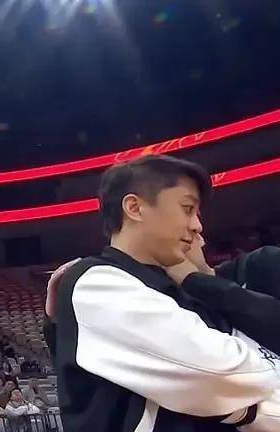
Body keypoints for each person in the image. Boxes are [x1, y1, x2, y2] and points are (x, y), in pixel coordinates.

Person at [47, 155, 276, 431]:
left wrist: (233, 403)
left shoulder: (179, 289)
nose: (197, 226)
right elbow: (228, 371)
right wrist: (242, 402)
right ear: (134, 208)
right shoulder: (95, 281)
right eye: (187, 209)